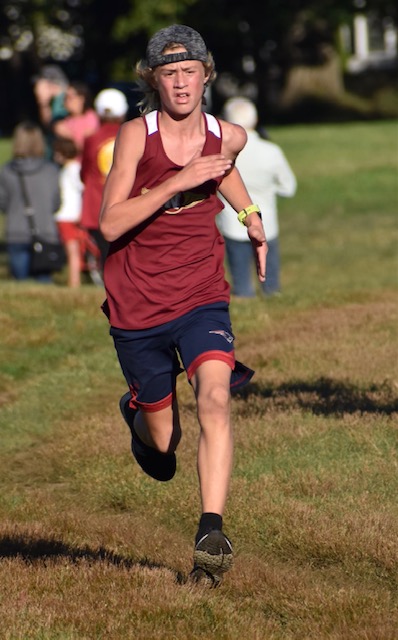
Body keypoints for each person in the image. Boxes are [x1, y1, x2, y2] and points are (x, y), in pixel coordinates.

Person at [99, 25, 267, 585]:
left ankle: (210, 533)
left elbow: (226, 166)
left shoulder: (228, 134)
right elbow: (110, 223)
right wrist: (176, 183)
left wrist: (250, 218)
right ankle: (139, 415)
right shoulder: (134, 136)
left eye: (189, 71)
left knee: (216, 400)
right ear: (154, 80)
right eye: (168, 73)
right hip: (138, 303)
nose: (180, 82)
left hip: (201, 297)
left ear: (206, 75)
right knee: (163, 443)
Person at [217, 97, 297, 297]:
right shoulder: (271, 151)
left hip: (232, 224)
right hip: (266, 224)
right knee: (271, 285)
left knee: (241, 284)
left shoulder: (220, 152)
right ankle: (272, 299)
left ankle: (245, 298)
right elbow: (289, 187)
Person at [0, 121, 61, 282]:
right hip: (45, 232)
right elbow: (56, 203)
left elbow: (3, 203)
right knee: (44, 284)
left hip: (16, 232)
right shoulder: (51, 171)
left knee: (21, 286)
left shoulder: (6, 171)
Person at [80, 88, 129, 271]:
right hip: (125, 201)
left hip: (97, 203)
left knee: (103, 251)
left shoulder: (92, 139)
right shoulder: (132, 135)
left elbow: (84, 173)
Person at [53, 136, 84, 288]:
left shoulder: (73, 169)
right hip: (68, 215)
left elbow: (82, 189)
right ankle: (73, 280)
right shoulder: (70, 168)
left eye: (57, 152)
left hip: (68, 215)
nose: (55, 156)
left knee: (72, 250)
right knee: (72, 250)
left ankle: (74, 282)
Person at [53, 81, 100, 158]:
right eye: (65, 98)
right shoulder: (65, 119)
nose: (66, 101)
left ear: (81, 99)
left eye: (70, 97)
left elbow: (87, 145)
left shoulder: (91, 118)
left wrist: (69, 135)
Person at [32, 64, 69, 158]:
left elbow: (54, 126)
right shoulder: (54, 101)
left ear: (52, 85)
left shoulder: (64, 101)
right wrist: (43, 103)